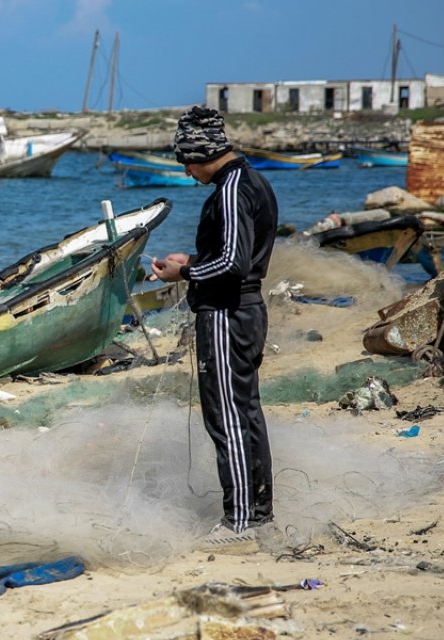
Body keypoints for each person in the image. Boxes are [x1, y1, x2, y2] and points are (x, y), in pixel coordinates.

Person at [149, 106, 279, 550]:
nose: (186, 172)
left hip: (226, 315)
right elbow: (232, 257)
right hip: (244, 310)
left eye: (186, 161)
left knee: (227, 418)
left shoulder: (230, 189)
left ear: (202, 153)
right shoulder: (253, 181)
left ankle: (240, 523)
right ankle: (258, 515)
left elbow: (233, 262)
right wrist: (192, 261)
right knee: (246, 414)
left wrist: (181, 274)